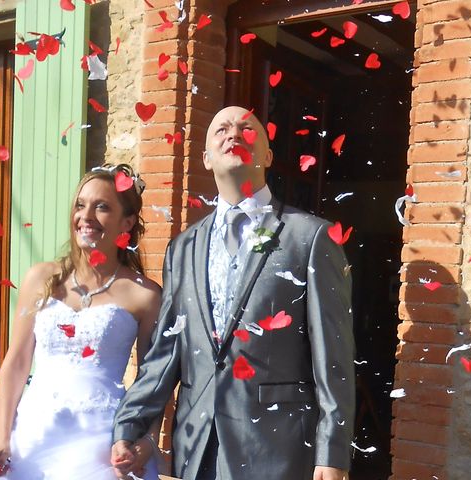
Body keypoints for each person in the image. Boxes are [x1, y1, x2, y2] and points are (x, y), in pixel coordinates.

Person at [111, 106, 355, 480]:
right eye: (221, 128)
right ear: (206, 157)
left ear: (268, 155)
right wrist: (129, 428)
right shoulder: (183, 248)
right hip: (197, 446)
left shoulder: (310, 238)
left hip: (277, 450)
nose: (234, 133)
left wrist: (332, 453)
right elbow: (165, 353)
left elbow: (332, 358)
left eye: (247, 128)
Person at [0, 164, 162, 480]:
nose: (86, 215)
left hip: (104, 441)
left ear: (126, 222)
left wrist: (148, 441)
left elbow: (151, 380)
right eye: (80, 205)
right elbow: (15, 363)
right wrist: (3, 438)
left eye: (102, 207)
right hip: (36, 434)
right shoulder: (40, 278)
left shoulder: (145, 294)